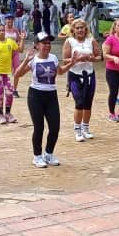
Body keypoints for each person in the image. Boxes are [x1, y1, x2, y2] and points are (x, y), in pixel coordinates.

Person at [16, 32, 76, 168]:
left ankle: (48, 153)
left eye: (49, 42)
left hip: (51, 95)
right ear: (37, 45)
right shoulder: (33, 60)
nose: (47, 45)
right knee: (39, 127)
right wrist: (25, 60)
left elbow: (60, 71)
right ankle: (37, 156)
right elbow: (17, 74)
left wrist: (72, 63)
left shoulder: (54, 58)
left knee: (55, 127)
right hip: (35, 96)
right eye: (44, 43)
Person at [64, 18, 101, 142]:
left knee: (88, 103)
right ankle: (77, 129)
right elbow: (65, 60)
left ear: (86, 29)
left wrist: (90, 58)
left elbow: (99, 56)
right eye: (77, 28)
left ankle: (86, 128)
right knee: (79, 102)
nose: (80, 30)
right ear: (73, 30)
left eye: (82, 27)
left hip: (89, 75)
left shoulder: (91, 40)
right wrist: (76, 60)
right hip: (75, 75)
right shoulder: (69, 41)